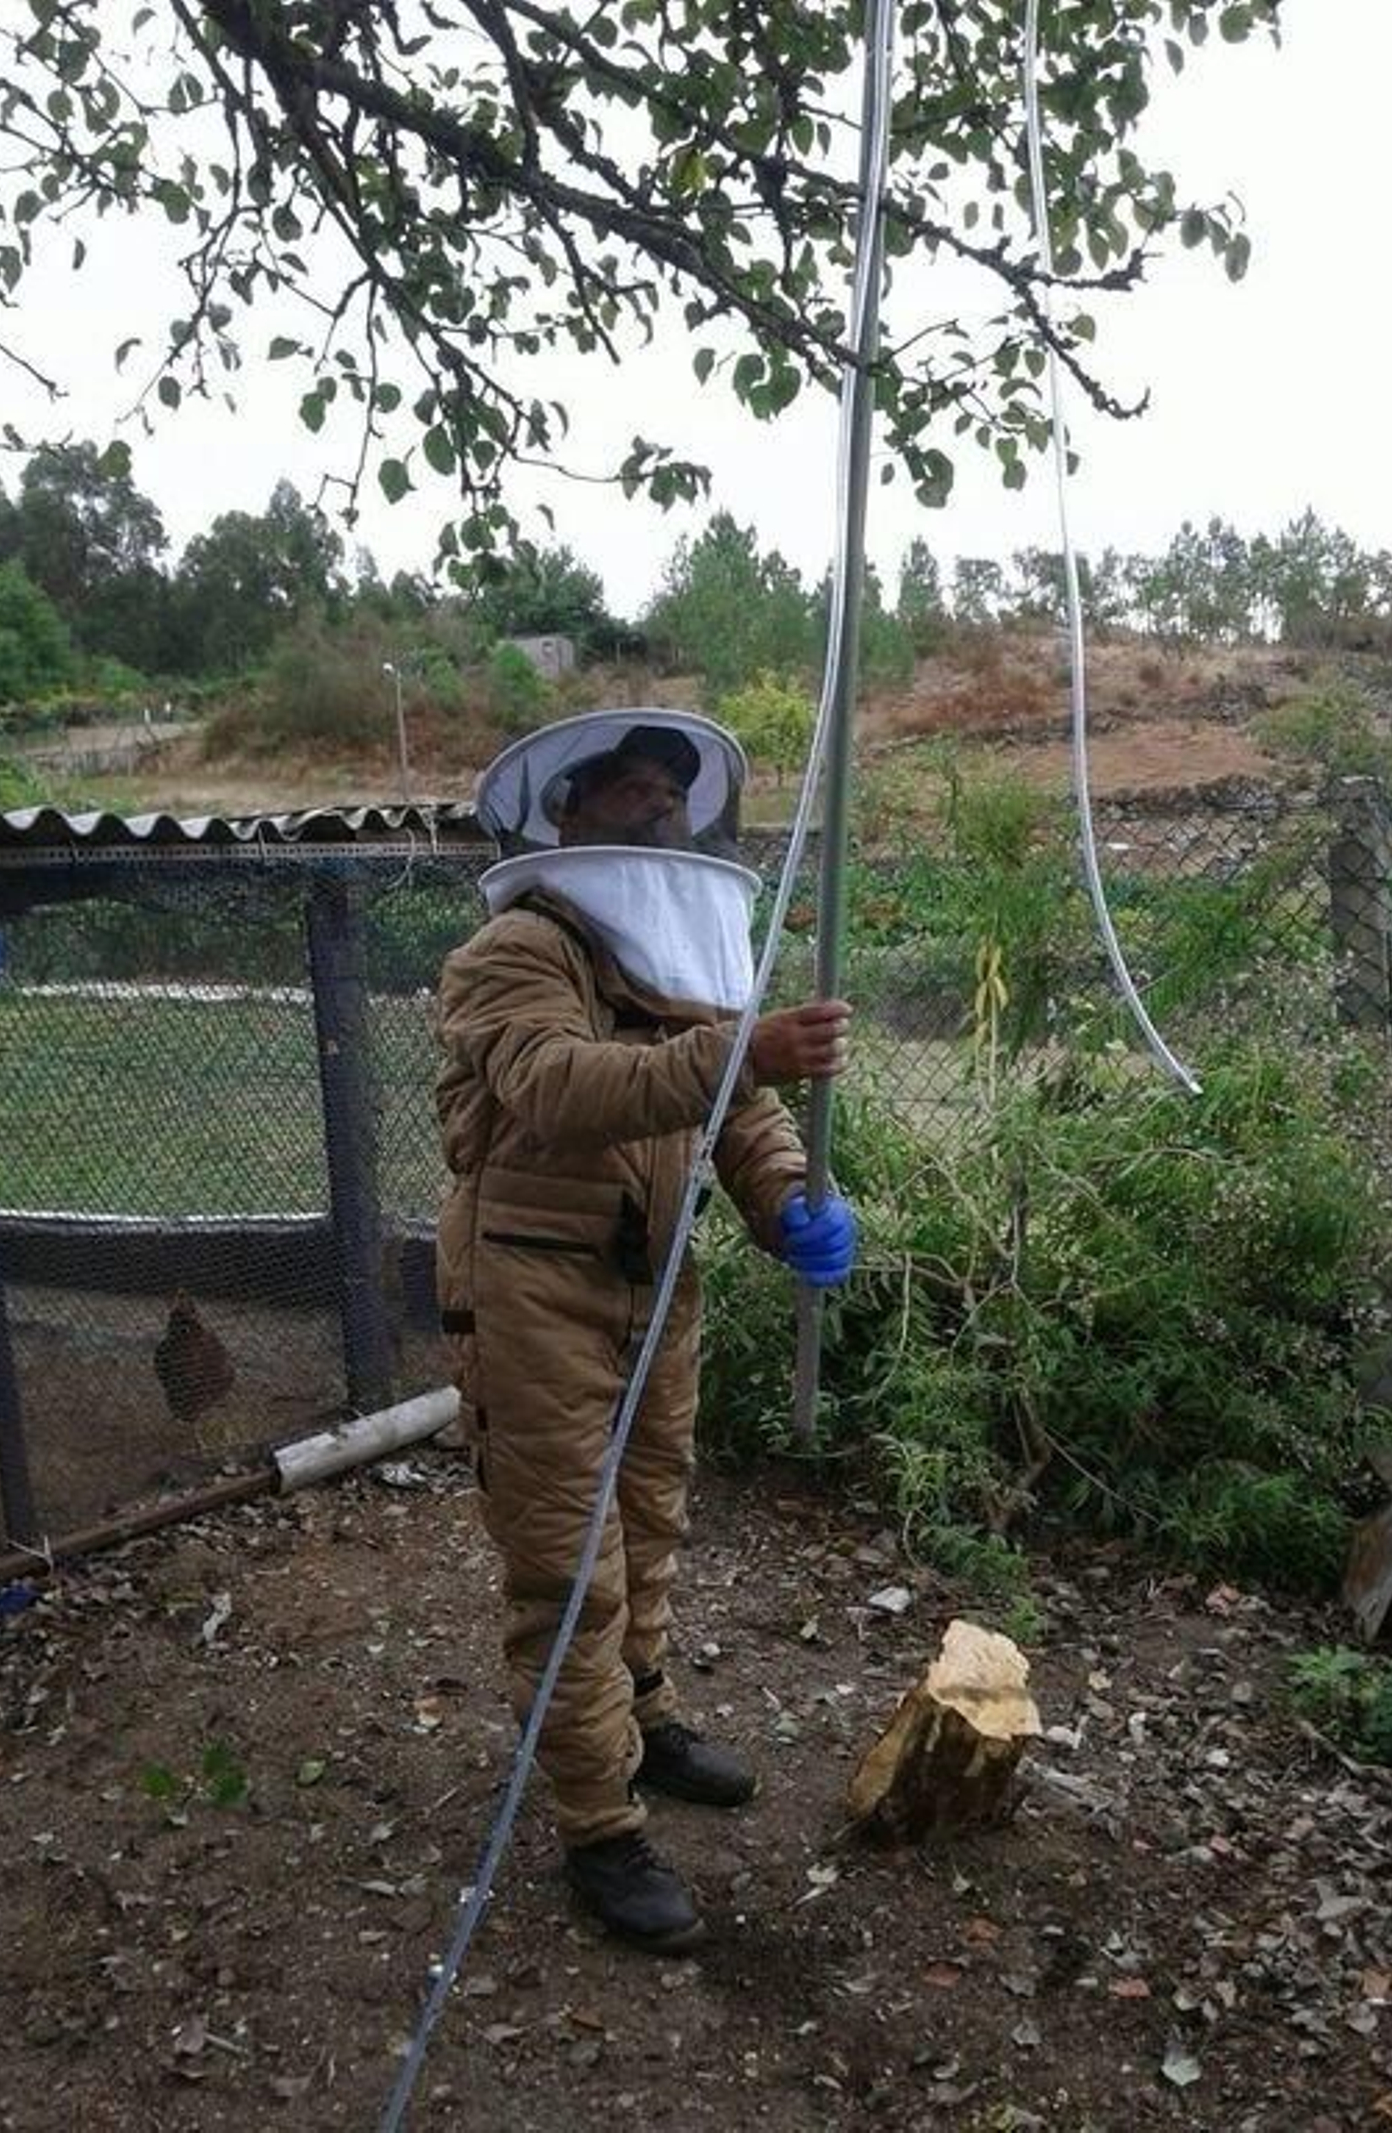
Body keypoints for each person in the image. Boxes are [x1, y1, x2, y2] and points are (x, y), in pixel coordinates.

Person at [435, 711, 856, 1952]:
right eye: (627, 788)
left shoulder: (679, 950)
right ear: (565, 814)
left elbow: (738, 1116)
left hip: (655, 1284)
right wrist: (743, 1054)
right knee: (569, 1564)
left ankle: (645, 1715)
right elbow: (558, 1086)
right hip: (531, 1295)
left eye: (669, 792)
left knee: (650, 1518)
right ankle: (597, 1820)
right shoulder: (517, 950)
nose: (656, 809)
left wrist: (786, 1201)